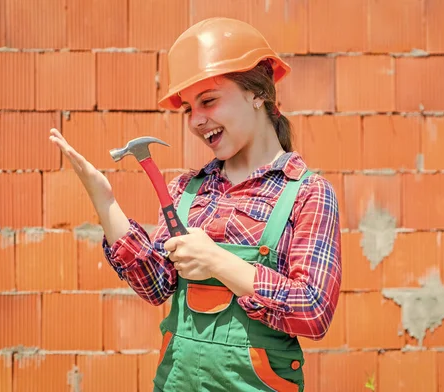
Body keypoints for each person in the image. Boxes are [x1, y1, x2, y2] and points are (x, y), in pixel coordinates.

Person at [49, 17, 341, 392]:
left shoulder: (307, 194)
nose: (196, 121)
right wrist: (104, 201)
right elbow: (156, 286)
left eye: (209, 100)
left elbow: (313, 311)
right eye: (188, 108)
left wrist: (217, 261)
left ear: (258, 94)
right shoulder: (187, 192)